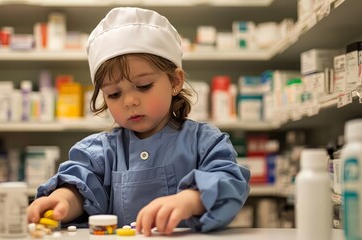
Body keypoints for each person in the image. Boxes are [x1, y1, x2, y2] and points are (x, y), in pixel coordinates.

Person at [27, 7, 250, 236]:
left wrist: (191, 200)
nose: (130, 101)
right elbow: (80, 184)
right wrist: (61, 201)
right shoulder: (100, 152)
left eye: (143, 86)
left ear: (175, 81)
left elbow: (228, 181)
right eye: (114, 94)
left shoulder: (204, 142)